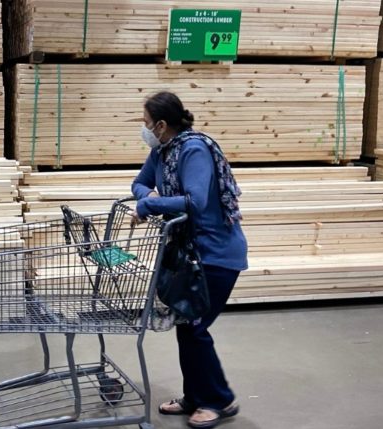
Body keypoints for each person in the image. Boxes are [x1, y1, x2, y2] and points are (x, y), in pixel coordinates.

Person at [131, 91, 249, 428]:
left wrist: (149, 204)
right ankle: (196, 397)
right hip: (189, 254)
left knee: (195, 329)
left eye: (147, 124)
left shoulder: (193, 149)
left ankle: (219, 401)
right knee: (187, 328)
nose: (145, 129)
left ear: (163, 125)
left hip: (216, 254)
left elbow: (195, 201)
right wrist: (147, 197)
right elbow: (139, 183)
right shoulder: (163, 151)